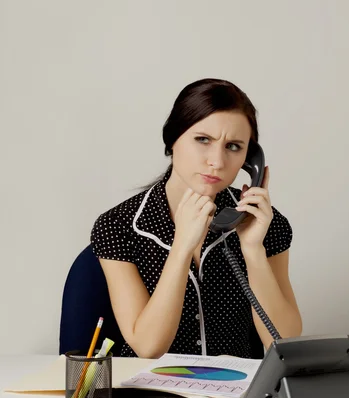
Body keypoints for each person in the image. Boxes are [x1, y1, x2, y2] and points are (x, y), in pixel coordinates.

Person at [90, 78, 302, 359]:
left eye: (234, 146)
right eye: (203, 140)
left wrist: (253, 250)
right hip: (152, 396)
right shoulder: (118, 226)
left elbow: (285, 343)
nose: (217, 161)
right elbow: (149, 347)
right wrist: (181, 249)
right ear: (173, 139)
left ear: (251, 161)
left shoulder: (268, 225)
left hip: (235, 395)